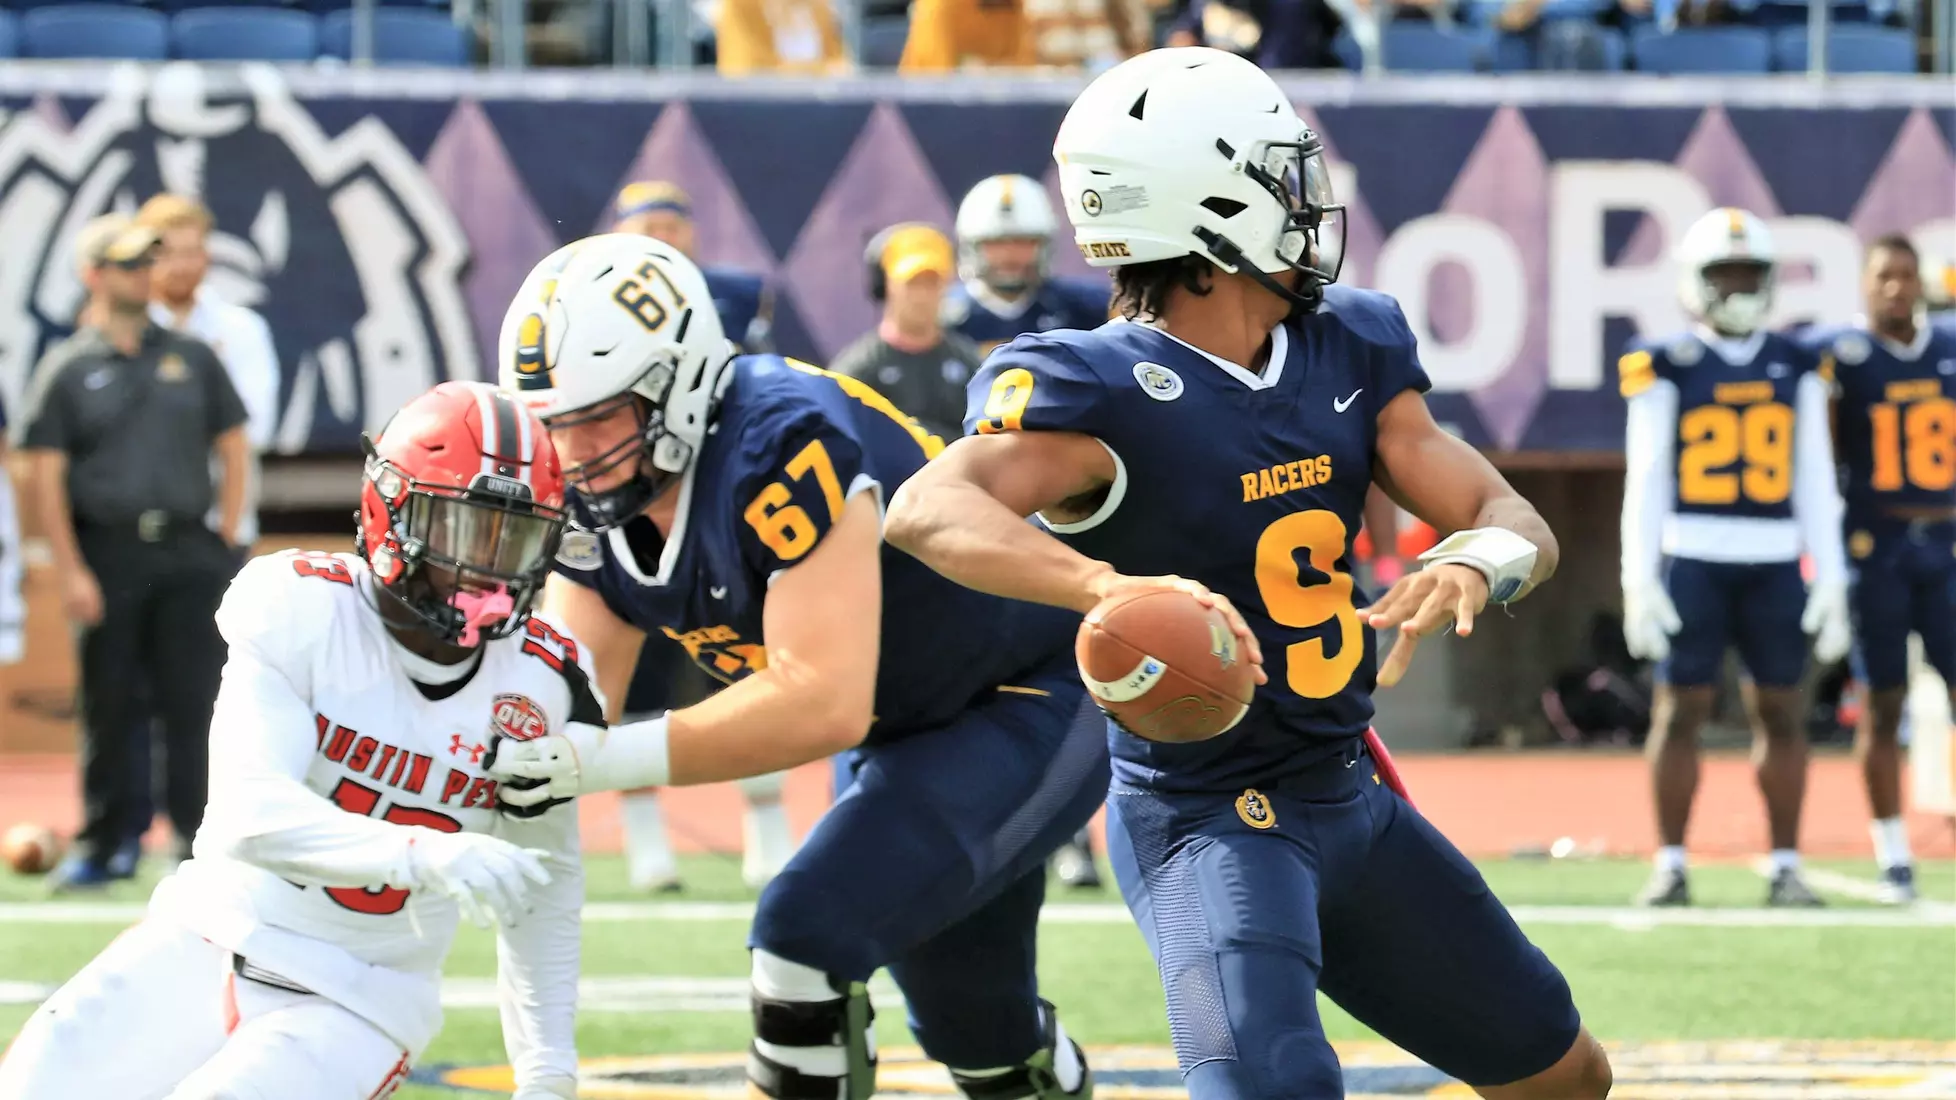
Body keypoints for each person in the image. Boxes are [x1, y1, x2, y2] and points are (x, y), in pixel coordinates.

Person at [884, 47, 1612, 1100]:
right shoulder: (1101, 387)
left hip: (1351, 794)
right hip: (1208, 820)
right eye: (1282, 176)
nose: (1306, 200)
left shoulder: (1348, 345)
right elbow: (927, 507)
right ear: (1212, 208)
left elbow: (1514, 518)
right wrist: (1105, 589)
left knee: (1566, 1076)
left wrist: (1475, 560)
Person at [487, 233, 1106, 1100]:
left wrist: (597, 760)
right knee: (978, 1030)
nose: (577, 451)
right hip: (910, 728)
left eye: (601, 418)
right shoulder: (592, 507)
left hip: (1026, 693)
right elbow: (567, 709)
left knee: (802, 940)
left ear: (682, 383)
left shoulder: (777, 438)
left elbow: (822, 701)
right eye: (556, 424)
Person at [0, 381, 588, 1100]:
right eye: (463, 533)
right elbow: (247, 818)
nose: (486, 569)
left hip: (358, 1000)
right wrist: (427, 851)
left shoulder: (544, 680)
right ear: (391, 510)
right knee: (36, 1081)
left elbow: (546, 889)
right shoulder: (302, 607)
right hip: (212, 935)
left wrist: (548, 1073)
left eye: (514, 539)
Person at [1618, 207, 1850, 908]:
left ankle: (1785, 863)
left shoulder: (1798, 361)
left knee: (1781, 711)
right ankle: (1671, 862)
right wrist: (1638, 577)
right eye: (1727, 273)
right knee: (1678, 711)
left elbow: (1814, 474)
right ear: (1697, 282)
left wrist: (1832, 575)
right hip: (1694, 556)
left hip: (1776, 561)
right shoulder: (1666, 364)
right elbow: (1648, 475)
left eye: (1753, 273)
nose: (1742, 286)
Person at [17, 213, 250, 891]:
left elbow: (232, 443)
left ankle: (197, 839)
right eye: (127, 265)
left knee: (196, 700)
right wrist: (68, 567)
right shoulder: (67, 368)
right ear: (93, 275)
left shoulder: (192, 356)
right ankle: (108, 839)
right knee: (111, 701)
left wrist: (229, 530)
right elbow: (43, 470)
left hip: (186, 547)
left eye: (147, 263)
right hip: (108, 550)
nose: (144, 275)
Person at [609, 179, 793, 890]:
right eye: (646, 223)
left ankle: (767, 829)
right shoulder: (595, 300)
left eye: (672, 222)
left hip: (722, 497)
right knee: (635, 668)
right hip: (632, 502)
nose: (661, 234)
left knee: (754, 654)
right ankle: (644, 841)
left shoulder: (736, 295)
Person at [1799, 235, 1956, 905]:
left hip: (1945, 541)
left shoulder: (1947, 345)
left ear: (1922, 282)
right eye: (1883, 276)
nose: (1896, 287)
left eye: (1905, 275)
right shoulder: (1844, 355)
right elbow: (1818, 445)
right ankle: (1892, 850)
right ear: (1864, 287)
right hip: (1877, 546)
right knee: (1883, 700)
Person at [832, 222, 988, 440]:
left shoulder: (971, 365)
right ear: (886, 285)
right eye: (912, 283)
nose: (923, 296)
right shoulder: (857, 370)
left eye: (932, 283)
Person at [943, 175, 1111, 360]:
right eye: (996, 244)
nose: (1009, 255)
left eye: (1023, 242)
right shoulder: (946, 317)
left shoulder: (1086, 307)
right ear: (971, 247)